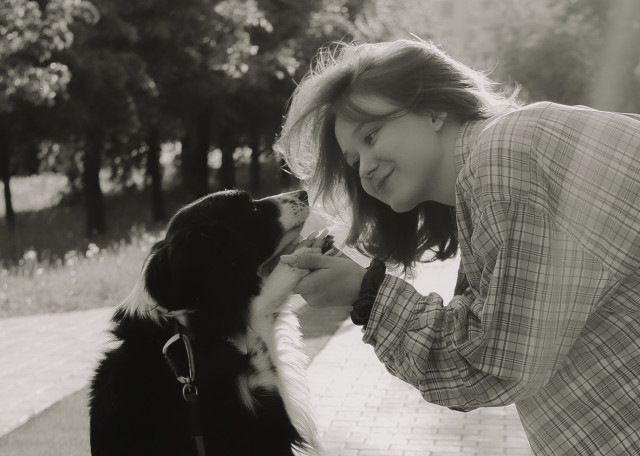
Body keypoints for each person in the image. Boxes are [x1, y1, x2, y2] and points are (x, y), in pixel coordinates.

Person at [274, 38, 640, 455]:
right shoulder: (501, 160)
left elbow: (491, 366)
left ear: (434, 109)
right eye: (354, 162)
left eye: (371, 136)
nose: (366, 168)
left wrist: (367, 294)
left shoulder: (505, 158)